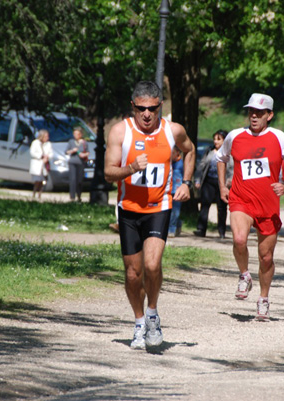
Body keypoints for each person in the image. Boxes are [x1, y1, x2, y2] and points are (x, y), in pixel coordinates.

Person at [104, 81, 195, 349]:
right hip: (129, 210)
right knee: (133, 273)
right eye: (141, 108)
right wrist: (131, 167)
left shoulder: (173, 130)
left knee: (153, 265)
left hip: (159, 207)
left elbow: (189, 150)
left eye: (152, 108)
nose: (146, 114)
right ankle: (139, 321)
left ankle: (153, 313)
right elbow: (109, 173)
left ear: (160, 106)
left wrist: (186, 183)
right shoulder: (120, 132)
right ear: (132, 106)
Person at [216, 93, 284, 321]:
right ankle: (245, 275)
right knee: (238, 239)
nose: (254, 116)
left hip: (268, 206)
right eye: (250, 111)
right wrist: (221, 187)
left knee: (266, 257)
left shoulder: (279, 138)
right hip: (241, 200)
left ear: (270, 115)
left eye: (259, 112)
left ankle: (263, 299)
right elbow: (221, 157)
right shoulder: (235, 136)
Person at [194, 129, 233, 239]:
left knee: (222, 208)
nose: (216, 142)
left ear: (224, 141)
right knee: (205, 205)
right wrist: (197, 180)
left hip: (222, 183)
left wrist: (229, 181)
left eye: (219, 139)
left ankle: (221, 231)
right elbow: (201, 167)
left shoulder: (228, 153)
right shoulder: (209, 151)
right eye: (215, 139)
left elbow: (232, 169)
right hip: (209, 182)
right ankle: (201, 229)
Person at [66, 126, 90, 202]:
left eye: (77, 134)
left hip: (81, 163)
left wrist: (84, 155)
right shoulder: (71, 142)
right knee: (72, 179)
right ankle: (72, 196)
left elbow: (88, 152)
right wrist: (72, 151)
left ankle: (79, 195)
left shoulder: (84, 142)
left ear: (81, 134)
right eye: (74, 133)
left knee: (79, 180)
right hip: (72, 162)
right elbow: (66, 151)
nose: (75, 135)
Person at [29, 129, 53, 199]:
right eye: (45, 136)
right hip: (37, 164)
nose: (47, 138)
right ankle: (34, 193)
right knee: (37, 180)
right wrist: (41, 156)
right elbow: (32, 153)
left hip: (44, 164)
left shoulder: (48, 144)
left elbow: (51, 153)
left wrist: (47, 157)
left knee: (43, 180)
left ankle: (40, 194)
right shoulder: (35, 143)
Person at [168, 146, 184, 237]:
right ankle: (178, 223)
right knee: (169, 210)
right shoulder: (169, 163)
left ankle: (171, 230)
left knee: (175, 211)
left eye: (172, 152)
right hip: (168, 190)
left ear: (177, 152)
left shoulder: (181, 164)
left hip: (178, 191)